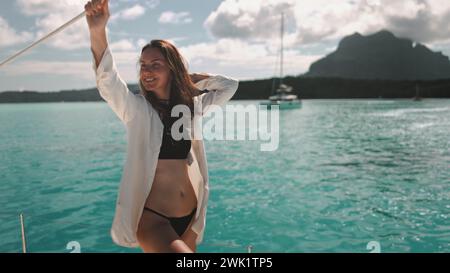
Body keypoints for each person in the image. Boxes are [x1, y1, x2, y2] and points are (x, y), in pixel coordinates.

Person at [85, 0, 239, 252]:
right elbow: (107, 81)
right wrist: (97, 29)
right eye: (143, 65)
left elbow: (229, 86)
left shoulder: (190, 109)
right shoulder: (136, 109)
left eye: (155, 65)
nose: (146, 71)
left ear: (173, 69)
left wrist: (187, 81)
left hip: (190, 219)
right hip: (154, 220)